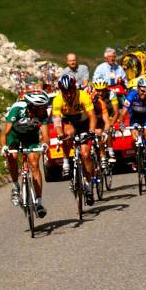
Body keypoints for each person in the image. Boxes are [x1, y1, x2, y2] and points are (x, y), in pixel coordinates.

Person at [0, 90, 50, 217]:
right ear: (33, 106)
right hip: (14, 135)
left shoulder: (43, 113)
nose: (45, 109)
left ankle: (38, 203)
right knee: (13, 156)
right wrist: (4, 147)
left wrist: (44, 144)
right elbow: (5, 133)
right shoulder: (17, 109)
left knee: (34, 163)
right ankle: (16, 186)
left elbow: (45, 134)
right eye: (42, 107)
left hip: (30, 137)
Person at [53, 73, 97, 205]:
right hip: (69, 122)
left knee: (85, 154)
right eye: (65, 91)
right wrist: (60, 134)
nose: (69, 94)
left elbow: (92, 117)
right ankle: (66, 161)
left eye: (71, 90)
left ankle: (89, 186)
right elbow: (57, 121)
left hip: (83, 122)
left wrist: (91, 131)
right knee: (67, 134)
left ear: (74, 88)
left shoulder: (83, 95)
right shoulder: (57, 100)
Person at [121, 78, 146, 171]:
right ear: (138, 89)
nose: (144, 93)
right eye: (142, 91)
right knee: (134, 138)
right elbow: (123, 112)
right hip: (135, 118)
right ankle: (137, 157)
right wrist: (121, 124)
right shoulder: (132, 95)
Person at [89, 77, 119, 164]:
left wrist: (112, 124)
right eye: (98, 90)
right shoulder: (91, 95)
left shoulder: (111, 94)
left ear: (106, 89)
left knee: (108, 128)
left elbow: (116, 113)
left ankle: (110, 151)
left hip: (109, 116)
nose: (100, 93)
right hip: (97, 117)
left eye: (103, 90)